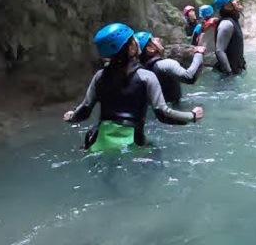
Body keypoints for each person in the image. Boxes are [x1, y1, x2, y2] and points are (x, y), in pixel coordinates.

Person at [62, 23, 203, 151]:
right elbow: (163, 114)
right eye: (133, 39)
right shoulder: (146, 77)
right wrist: (192, 116)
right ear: (131, 47)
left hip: (98, 140)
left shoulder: (100, 76)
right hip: (133, 141)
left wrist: (71, 117)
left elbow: (85, 110)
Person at [135, 31, 204, 104]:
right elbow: (189, 77)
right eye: (153, 40)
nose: (157, 39)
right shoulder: (166, 64)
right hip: (175, 109)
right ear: (150, 49)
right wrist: (198, 54)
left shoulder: (142, 69)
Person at [213, 0, 246, 76]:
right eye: (233, 0)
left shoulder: (233, 21)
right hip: (229, 75)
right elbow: (219, 50)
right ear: (227, 6)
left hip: (236, 71)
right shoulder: (226, 24)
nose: (237, 0)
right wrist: (229, 72)